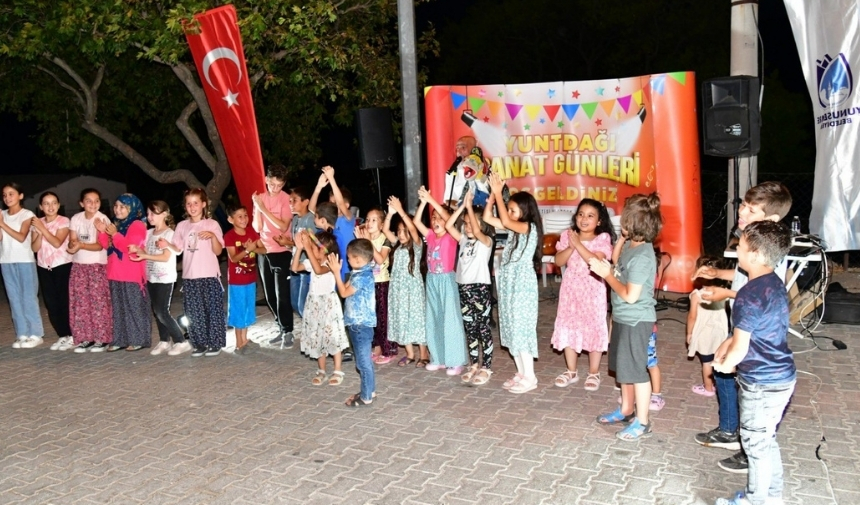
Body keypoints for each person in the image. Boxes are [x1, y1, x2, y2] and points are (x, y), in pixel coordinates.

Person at [692, 181, 792, 474]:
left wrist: (725, 293)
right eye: (744, 204)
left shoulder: (772, 248)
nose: (743, 211)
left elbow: (765, 292)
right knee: (724, 375)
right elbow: (742, 273)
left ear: (771, 219)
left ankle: (750, 449)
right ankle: (729, 430)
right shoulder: (750, 238)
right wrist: (717, 273)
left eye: (751, 208)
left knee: (749, 389)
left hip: (754, 329)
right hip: (741, 321)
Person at [713, 221, 795, 505]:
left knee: (754, 444)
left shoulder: (748, 294)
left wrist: (723, 365)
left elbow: (740, 347)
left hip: (761, 381)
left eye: (742, 247)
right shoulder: (773, 283)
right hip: (783, 376)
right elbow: (750, 330)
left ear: (758, 254)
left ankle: (755, 500)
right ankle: (771, 496)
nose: (738, 251)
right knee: (766, 439)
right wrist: (728, 345)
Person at [589, 192, 662, 440]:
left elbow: (631, 295)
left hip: (636, 319)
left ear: (634, 222)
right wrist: (621, 240)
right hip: (622, 317)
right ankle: (626, 409)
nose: (620, 219)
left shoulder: (643, 256)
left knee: (637, 372)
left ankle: (642, 422)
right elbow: (618, 262)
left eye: (625, 217)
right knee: (624, 369)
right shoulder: (633, 245)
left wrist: (606, 275)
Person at [483, 173, 543, 394]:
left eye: (513, 210)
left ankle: (531, 376)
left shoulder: (528, 228)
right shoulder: (513, 227)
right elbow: (489, 218)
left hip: (521, 287)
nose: (508, 214)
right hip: (509, 286)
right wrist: (492, 195)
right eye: (508, 209)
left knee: (521, 329)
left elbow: (506, 221)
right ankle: (521, 372)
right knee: (510, 328)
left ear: (525, 212)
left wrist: (500, 193)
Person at [551, 198, 615, 391]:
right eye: (580, 214)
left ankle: (594, 372)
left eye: (590, 215)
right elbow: (559, 261)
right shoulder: (567, 236)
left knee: (593, 327)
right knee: (568, 325)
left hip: (593, 291)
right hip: (570, 290)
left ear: (599, 221)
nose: (584, 219)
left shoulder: (602, 239)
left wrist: (578, 244)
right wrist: (571, 245)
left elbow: (595, 261)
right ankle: (571, 371)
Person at [413, 185, 467, 375]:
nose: (435, 220)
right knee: (434, 318)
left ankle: (456, 360)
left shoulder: (451, 236)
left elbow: (447, 218)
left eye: (439, 217)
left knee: (450, 319)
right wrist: (423, 203)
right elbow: (417, 221)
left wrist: (432, 200)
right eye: (433, 217)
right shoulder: (430, 236)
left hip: (447, 279)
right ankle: (439, 358)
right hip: (432, 280)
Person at [167, 188, 226, 357]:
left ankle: (215, 343)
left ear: (204, 204)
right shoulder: (182, 226)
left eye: (196, 203)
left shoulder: (212, 224)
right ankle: (199, 343)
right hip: (190, 276)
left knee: (212, 310)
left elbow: (218, 251)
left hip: (209, 275)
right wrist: (166, 245)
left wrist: (213, 237)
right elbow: (177, 249)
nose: (192, 207)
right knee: (194, 312)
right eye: (189, 203)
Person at [445, 188, 495, 385]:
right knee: (470, 327)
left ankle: (487, 366)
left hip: (480, 289)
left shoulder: (486, 241)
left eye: (470, 223)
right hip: (464, 288)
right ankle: (474, 363)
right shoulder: (464, 240)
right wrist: (462, 209)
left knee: (483, 328)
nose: (467, 227)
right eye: (465, 224)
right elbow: (449, 224)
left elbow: (476, 230)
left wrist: (470, 210)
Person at [128, 201, 190, 356]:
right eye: (148, 214)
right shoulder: (149, 233)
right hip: (151, 277)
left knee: (162, 311)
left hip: (165, 278)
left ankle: (181, 341)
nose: (150, 217)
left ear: (164, 214)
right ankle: (164, 340)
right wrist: (138, 249)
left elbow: (165, 257)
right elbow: (146, 250)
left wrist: (144, 255)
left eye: (153, 213)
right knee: (157, 311)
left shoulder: (169, 234)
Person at [292, 230, 348, 386]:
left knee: (332, 336)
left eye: (315, 247)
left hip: (328, 305)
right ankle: (321, 370)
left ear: (323, 249)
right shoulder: (311, 261)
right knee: (317, 336)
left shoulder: (330, 263)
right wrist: (299, 249)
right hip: (314, 304)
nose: (311, 249)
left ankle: (337, 370)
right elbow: (295, 267)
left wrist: (308, 247)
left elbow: (318, 270)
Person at [96, 194, 150, 352]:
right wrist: (102, 232)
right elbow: (108, 245)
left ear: (132, 208)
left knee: (134, 308)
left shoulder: (137, 224)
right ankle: (119, 339)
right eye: (116, 206)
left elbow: (129, 247)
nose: (117, 210)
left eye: (122, 207)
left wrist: (114, 234)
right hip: (114, 272)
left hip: (131, 273)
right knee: (118, 309)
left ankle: (138, 339)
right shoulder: (117, 224)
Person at [328, 239, 377, 407]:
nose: (347, 261)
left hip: (360, 325)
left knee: (363, 363)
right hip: (358, 324)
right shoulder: (361, 270)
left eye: (349, 258)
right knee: (364, 362)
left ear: (357, 259)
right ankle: (369, 389)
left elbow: (343, 292)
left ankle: (366, 397)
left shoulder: (361, 276)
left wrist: (336, 272)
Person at [382, 196, 429, 368]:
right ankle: (410, 353)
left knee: (417, 319)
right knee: (402, 317)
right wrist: (391, 214)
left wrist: (401, 211)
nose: (401, 234)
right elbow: (386, 230)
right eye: (399, 231)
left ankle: (423, 353)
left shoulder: (416, 245)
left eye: (404, 231)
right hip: (398, 288)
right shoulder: (397, 245)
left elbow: (413, 229)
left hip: (413, 289)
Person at [253, 164, 294, 348]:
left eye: (279, 185)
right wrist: (258, 209)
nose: (275, 188)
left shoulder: (286, 199)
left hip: (282, 250)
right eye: (272, 184)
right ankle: (280, 326)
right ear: (266, 180)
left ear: (284, 184)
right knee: (269, 295)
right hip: (264, 250)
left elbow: (283, 226)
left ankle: (288, 331)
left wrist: (263, 210)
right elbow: (257, 227)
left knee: (282, 294)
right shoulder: (259, 198)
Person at [68, 188, 112, 352]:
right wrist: (73, 246)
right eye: (89, 200)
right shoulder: (76, 218)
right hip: (79, 266)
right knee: (81, 303)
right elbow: (72, 239)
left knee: (98, 303)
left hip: (96, 266)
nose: (93, 204)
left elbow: (101, 244)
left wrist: (81, 245)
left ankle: (102, 338)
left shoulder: (102, 219)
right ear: (81, 203)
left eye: (96, 201)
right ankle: (85, 337)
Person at [1, 183, 44, 348]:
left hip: (25, 260)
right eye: (4, 195)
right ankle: (21, 333)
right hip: (6, 260)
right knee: (14, 298)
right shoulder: (2, 214)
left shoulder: (27, 214)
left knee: (28, 297)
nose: (7, 198)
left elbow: (21, 237)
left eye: (11, 194)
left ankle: (36, 333)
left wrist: (2, 224)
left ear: (20, 195)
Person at [30, 192, 73, 350]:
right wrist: (38, 234)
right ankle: (62, 335)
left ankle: (72, 335)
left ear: (58, 204)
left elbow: (57, 242)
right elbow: (34, 247)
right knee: (51, 304)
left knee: (64, 302)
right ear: (41, 207)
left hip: (62, 266)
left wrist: (43, 229)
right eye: (46, 203)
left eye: (54, 203)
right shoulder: (37, 223)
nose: (50, 206)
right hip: (44, 267)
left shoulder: (64, 221)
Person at [356, 207, 395, 364]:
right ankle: (377, 346)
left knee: (383, 318)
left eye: (374, 220)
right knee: (371, 318)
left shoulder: (384, 239)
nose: (369, 223)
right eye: (368, 219)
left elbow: (380, 259)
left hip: (381, 282)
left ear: (381, 224)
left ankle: (388, 349)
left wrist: (368, 242)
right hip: (367, 283)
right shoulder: (364, 239)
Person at [686, 255, 730, 397]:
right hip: (721, 332)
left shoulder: (697, 295)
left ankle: (708, 388)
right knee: (718, 359)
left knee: (707, 362)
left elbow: (692, 316)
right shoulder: (723, 293)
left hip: (704, 333)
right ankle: (720, 384)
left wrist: (689, 333)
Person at [224, 205, 263, 354]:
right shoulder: (230, 236)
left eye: (245, 215)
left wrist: (253, 248)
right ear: (230, 219)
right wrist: (247, 249)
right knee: (238, 310)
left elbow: (263, 249)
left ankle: (245, 339)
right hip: (237, 280)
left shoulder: (251, 232)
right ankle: (238, 343)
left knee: (247, 309)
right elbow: (233, 258)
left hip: (251, 278)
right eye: (239, 216)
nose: (244, 219)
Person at [310, 166, 356, 282]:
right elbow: (312, 209)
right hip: (332, 269)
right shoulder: (330, 221)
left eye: (335, 202)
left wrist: (331, 179)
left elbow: (340, 203)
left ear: (347, 205)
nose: (333, 205)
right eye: (331, 202)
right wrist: (319, 187)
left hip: (347, 269)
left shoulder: (348, 219)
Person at [288, 186, 315, 318]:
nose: (291, 204)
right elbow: (296, 243)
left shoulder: (311, 220)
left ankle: (312, 335)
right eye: (290, 201)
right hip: (295, 264)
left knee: (303, 305)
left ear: (306, 202)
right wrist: (287, 243)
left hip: (306, 265)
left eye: (294, 200)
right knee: (295, 303)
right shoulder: (294, 219)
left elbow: (314, 244)